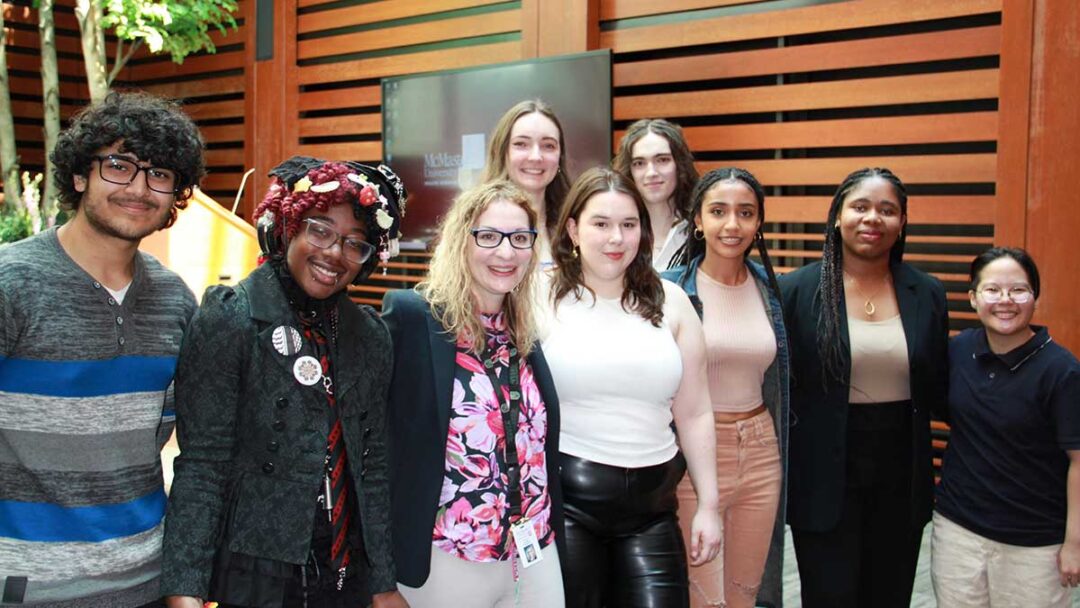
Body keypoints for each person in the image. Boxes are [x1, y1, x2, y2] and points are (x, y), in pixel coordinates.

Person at [160, 157, 409, 608]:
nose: (334, 252)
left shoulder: (370, 336)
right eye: (320, 230)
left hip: (344, 571)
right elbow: (201, 466)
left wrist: (383, 582)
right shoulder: (231, 317)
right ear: (288, 227)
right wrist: (185, 590)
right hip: (258, 573)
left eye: (355, 243)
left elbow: (370, 469)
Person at [0, 91, 204, 606]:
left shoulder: (176, 299)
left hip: (146, 581)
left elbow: (174, 436)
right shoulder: (11, 283)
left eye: (159, 174)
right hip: (27, 585)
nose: (139, 188)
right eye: (119, 165)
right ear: (78, 175)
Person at [540, 167, 721, 607]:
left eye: (628, 224)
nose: (615, 238)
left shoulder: (672, 300)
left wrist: (709, 506)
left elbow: (695, 412)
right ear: (573, 230)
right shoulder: (538, 298)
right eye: (600, 224)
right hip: (566, 508)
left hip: (653, 510)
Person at [382, 180, 565, 607]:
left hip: (533, 547)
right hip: (448, 555)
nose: (506, 253)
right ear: (461, 240)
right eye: (489, 237)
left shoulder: (525, 330)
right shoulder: (412, 318)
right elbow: (376, 447)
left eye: (520, 239)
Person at [778, 167, 949, 607]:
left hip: (899, 473)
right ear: (837, 217)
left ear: (902, 223)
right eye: (860, 206)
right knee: (829, 596)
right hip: (825, 474)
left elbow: (938, 383)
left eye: (887, 210)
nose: (873, 218)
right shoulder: (797, 290)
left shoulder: (925, 292)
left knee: (888, 596)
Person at [663, 168, 789, 608]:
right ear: (698, 220)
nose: (732, 225)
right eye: (718, 212)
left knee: (744, 593)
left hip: (760, 449)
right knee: (701, 596)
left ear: (758, 223)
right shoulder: (670, 289)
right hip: (695, 452)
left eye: (745, 213)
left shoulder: (772, 289)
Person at [932, 247, 1080, 607]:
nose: (1005, 301)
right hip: (957, 533)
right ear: (973, 298)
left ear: (1034, 297)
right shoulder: (957, 350)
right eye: (992, 290)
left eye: (1018, 290)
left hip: (1033, 545)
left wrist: (1074, 544)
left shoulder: (1062, 371)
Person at [481, 99, 572, 268]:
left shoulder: (576, 226)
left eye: (548, 146)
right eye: (521, 144)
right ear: (502, 152)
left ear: (560, 157)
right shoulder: (473, 222)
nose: (536, 156)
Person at [614, 118, 699, 271]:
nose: (651, 172)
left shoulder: (701, 230)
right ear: (629, 171)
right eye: (639, 163)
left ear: (680, 165)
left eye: (662, 160)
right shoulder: (614, 232)